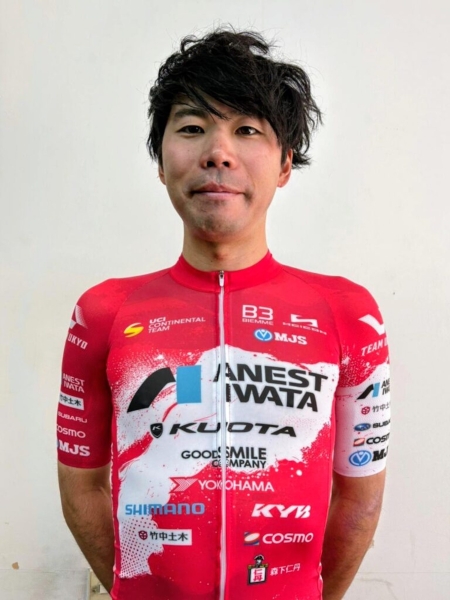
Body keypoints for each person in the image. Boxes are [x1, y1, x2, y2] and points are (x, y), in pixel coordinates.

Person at [57, 29, 391, 600]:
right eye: (192, 128)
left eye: (247, 130)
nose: (218, 152)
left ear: (285, 164)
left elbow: (360, 499)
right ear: (160, 162)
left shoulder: (349, 315)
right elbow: (81, 489)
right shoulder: (103, 312)